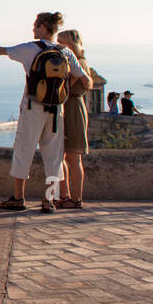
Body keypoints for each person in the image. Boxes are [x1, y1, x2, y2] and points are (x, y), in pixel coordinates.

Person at [0, 12, 90, 213]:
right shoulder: (65, 52)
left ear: (44, 27)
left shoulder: (30, 48)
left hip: (32, 108)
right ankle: (48, 200)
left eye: (36, 26)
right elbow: (86, 80)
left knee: (23, 152)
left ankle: (18, 199)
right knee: (54, 158)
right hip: (56, 111)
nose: (33, 29)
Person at [56, 30, 95, 209]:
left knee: (72, 157)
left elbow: (65, 88)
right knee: (62, 156)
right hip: (69, 107)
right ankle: (65, 196)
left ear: (71, 45)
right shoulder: (76, 62)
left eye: (61, 42)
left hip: (72, 109)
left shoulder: (78, 64)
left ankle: (75, 198)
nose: (58, 45)